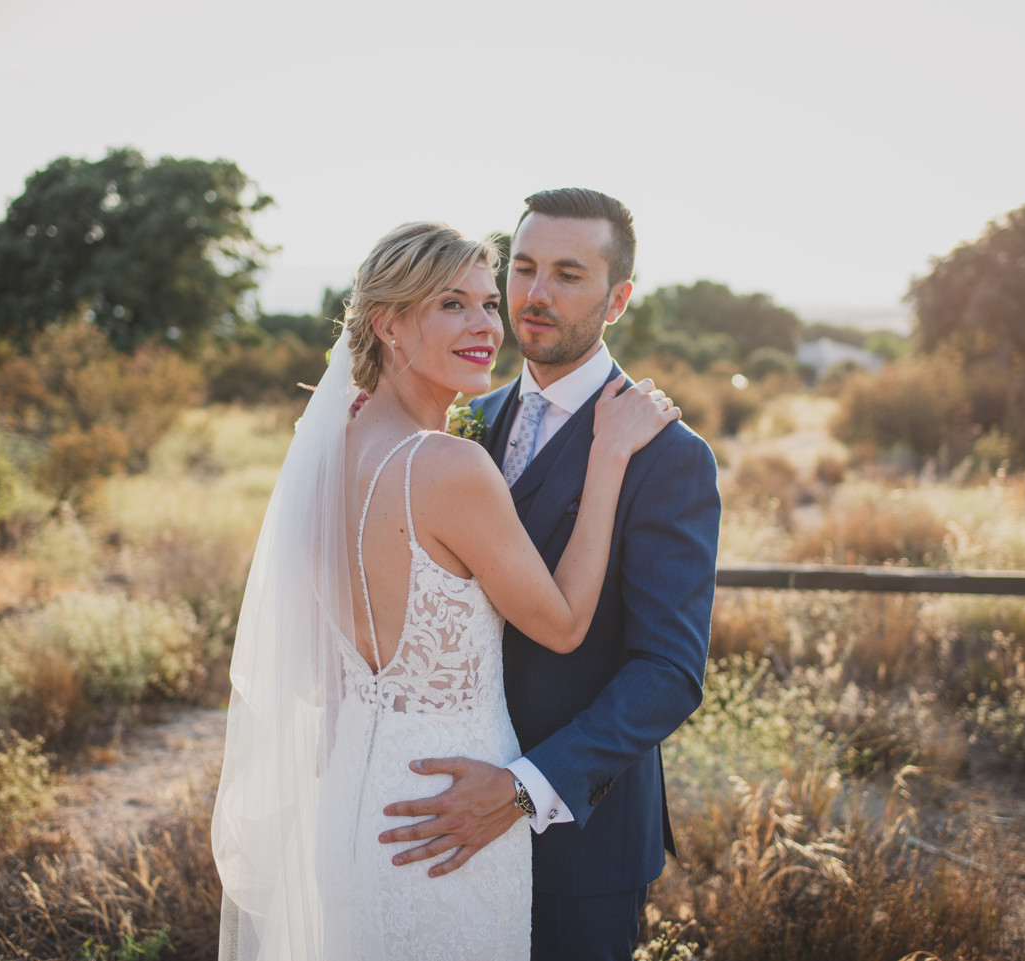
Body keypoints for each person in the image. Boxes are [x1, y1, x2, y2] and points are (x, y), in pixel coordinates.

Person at [211, 220, 681, 961]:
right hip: (450, 810)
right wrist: (611, 452)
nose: (486, 325)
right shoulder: (450, 462)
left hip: (358, 802)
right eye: (451, 305)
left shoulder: (331, 448)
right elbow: (560, 626)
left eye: (486, 303)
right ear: (388, 324)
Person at [377, 189, 722, 961]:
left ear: (618, 298)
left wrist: (525, 785)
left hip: (578, 841)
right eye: (524, 267)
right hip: (440, 814)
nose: (534, 294)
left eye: (568, 273)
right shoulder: (462, 417)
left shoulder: (668, 455)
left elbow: (669, 671)